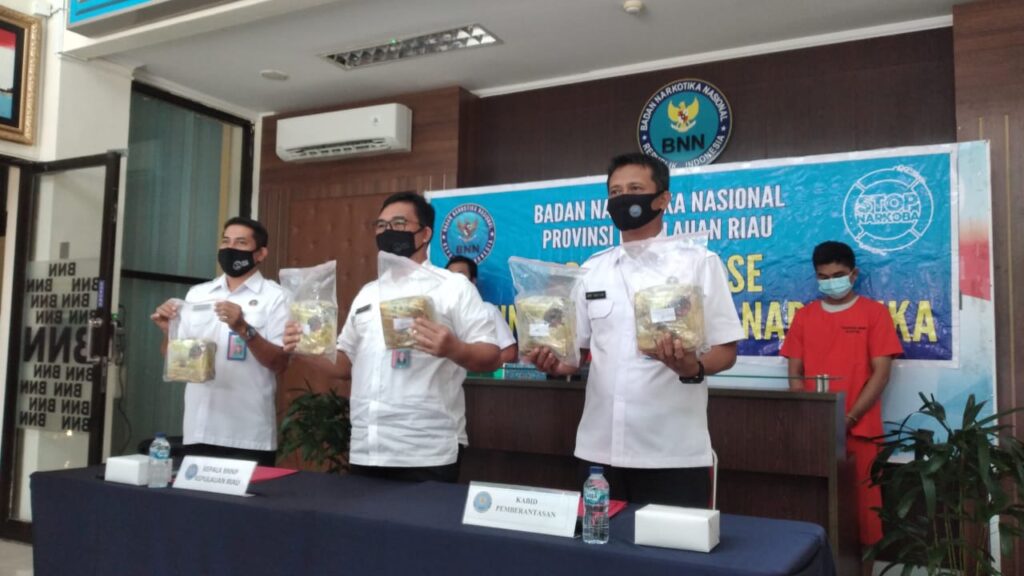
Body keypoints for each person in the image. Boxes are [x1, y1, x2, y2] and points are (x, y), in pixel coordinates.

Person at [529, 153, 743, 507]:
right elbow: (574, 355)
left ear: (663, 199)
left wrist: (692, 367)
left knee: (670, 545)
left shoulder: (698, 263)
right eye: (615, 192)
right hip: (599, 450)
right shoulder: (593, 269)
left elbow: (726, 350)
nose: (623, 198)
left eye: (634, 189)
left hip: (671, 452)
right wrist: (551, 362)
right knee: (599, 542)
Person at [284, 192, 500, 482]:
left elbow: (490, 355)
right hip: (367, 447)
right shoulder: (368, 293)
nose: (388, 231)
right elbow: (345, 364)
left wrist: (453, 348)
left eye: (398, 223)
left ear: (425, 234)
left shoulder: (453, 287)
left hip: (426, 449)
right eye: (381, 225)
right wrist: (304, 347)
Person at [780, 240, 903, 548]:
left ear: (854, 274)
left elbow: (881, 374)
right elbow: (795, 374)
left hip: (859, 431)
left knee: (865, 519)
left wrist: (848, 418)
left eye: (838, 275)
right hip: (814, 433)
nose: (830, 282)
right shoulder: (805, 317)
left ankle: (864, 569)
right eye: (823, 277)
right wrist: (812, 419)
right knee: (814, 511)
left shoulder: (875, 314)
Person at [150, 217, 290, 466]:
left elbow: (279, 363)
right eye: (226, 241)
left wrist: (243, 328)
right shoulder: (198, 293)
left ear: (260, 254)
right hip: (199, 428)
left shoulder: (277, 297)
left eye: (241, 243)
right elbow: (176, 362)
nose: (230, 248)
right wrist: (167, 332)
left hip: (249, 434)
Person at [446, 255, 518, 365]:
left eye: (460, 277)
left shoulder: (487, 310)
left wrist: (480, 368)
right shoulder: (438, 312)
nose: (454, 282)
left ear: (473, 281)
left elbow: (510, 353)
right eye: (450, 277)